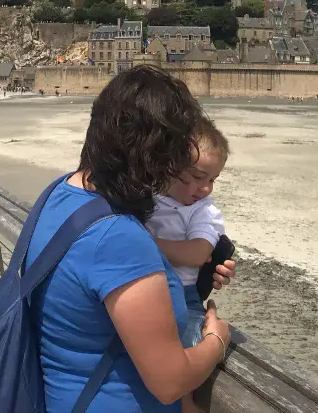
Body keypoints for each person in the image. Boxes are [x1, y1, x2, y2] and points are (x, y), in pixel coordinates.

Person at [25, 65, 235, 411]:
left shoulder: (60, 192)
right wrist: (216, 339)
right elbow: (170, 381)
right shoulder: (119, 237)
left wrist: (200, 272)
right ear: (156, 155)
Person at [145, 125, 228, 413]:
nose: (204, 188)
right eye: (196, 177)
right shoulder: (149, 197)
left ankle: (186, 405)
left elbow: (197, 254)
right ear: (169, 166)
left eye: (212, 180)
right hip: (146, 289)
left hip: (183, 294)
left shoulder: (204, 211)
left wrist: (143, 243)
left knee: (185, 344)